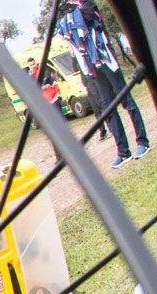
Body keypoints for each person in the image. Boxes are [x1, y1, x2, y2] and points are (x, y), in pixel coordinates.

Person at [57, 0, 148, 168]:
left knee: (126, 99)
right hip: (92, 64)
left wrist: (72, 13)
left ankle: (142, 141)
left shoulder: (88, 4)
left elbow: (87, 18)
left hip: (105, 58)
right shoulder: (68, 10)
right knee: (107, 107)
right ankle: (123, 151)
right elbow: (64, 29)